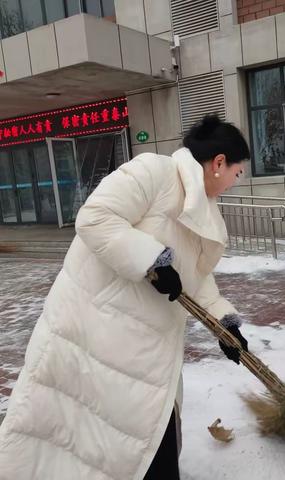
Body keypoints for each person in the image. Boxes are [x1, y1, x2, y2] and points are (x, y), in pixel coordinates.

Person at [0, 114, 250, 480]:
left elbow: (197, 280)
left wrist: (225, 324)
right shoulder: (154, 172)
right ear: (218, 164)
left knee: (143, 441)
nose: (235, 182)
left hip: (143, 353)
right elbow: (95, 218)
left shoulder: (205, 212)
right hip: (94, 336)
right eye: (237, 173)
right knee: (80, 439)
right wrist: (151, 259)